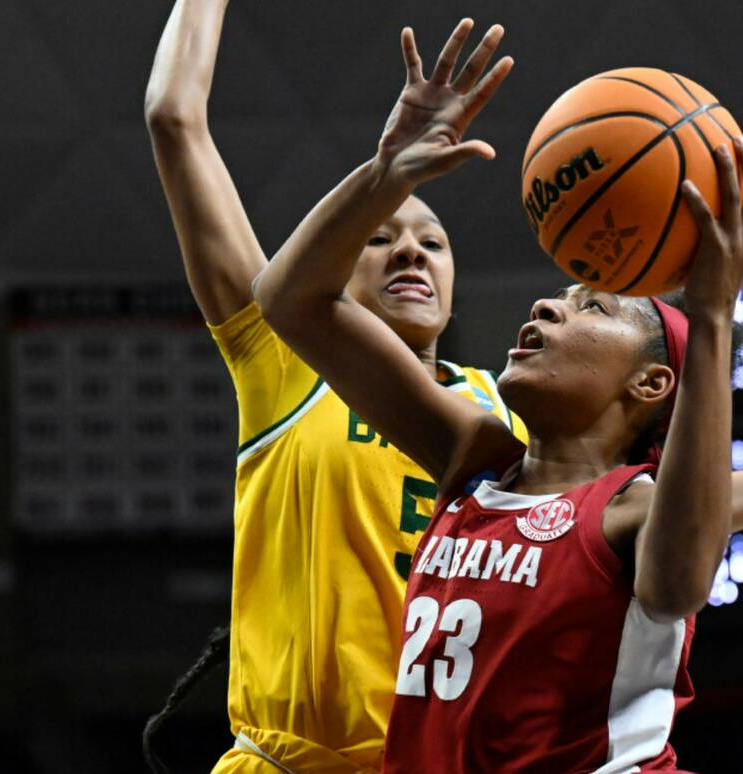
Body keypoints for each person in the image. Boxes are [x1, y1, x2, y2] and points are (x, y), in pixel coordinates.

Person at [253, 18, 743, 771]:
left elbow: (688, 551)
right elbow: (287, 299)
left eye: (589, 307)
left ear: (651, 383)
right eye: (558, 299)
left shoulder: (628, 515)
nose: (545, 308)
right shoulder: (478, 459)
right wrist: (386, 175)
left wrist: (709, 313)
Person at [142, 3, 525, 772]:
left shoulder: (512, 410)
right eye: (381, 238)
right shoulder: (286, 362)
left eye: (433, 244)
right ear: (336, 265)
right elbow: (173, 119)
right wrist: (381, 177)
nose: (411, 254)